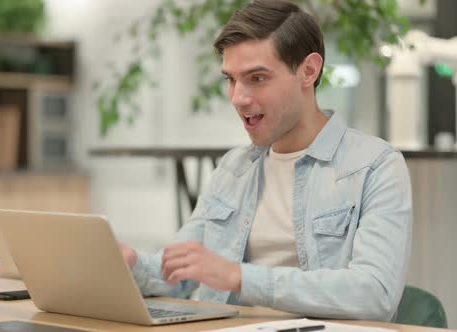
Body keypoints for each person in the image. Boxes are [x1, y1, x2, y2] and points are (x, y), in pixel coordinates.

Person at [120, 0, 412, 322]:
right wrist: (131, 265)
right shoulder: (233, 169)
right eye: (231, 79)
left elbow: (375, 293)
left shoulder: (375, 166)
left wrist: (239, 277)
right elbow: (180, 272)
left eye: (257, 78)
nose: (238, 98)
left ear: (308, 71)